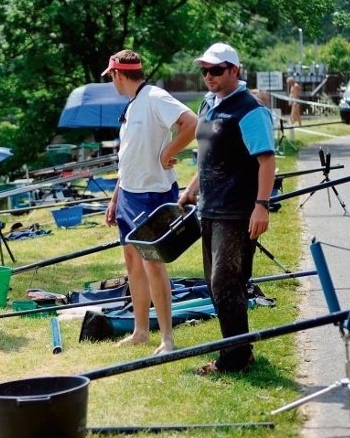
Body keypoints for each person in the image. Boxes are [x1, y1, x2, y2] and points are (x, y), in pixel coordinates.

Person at [178, 43, 276, 374]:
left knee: (226, 282)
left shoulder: (250, 109)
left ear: (235, 70)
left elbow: (266, 160)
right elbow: (208, 157)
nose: (209, 76)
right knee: (216, 284)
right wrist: (192, 188)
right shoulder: (207, 105)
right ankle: (240, 351)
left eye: (216, 70)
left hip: (237, 211)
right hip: (210, 208)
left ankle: (232, 360)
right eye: (204, 70)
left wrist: (261, 205)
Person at [102, 50, 198, 356]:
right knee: (132, 262)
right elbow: (129, 156)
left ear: (118, 74)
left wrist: (168, 151)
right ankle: (140, 331)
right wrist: (116, 197)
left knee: (153, 264)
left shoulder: (155, 96)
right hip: (128, 195)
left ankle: (167, 337)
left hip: (153, 195)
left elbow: (191, 123)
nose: (111, 82)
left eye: (111, 76)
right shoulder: (131, 105)